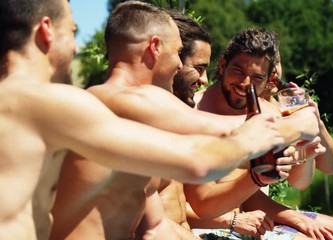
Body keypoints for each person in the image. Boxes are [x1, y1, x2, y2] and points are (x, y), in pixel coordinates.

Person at [0, 0, 286, 239]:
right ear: (47, 30)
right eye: (72, 32)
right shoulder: (50, 102)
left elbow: (155, 225)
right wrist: (283, 127)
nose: (76, 48)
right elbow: (198, 161)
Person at [186, 28, 333, 239]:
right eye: (238, 71)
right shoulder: (193, 109)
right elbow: (204, 199)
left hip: (261, 215)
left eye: (257, 77)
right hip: (218, 221)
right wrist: (290, 217)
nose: (245, 84)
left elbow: (301, 182)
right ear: (223, 65)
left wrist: (305, 147)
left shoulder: (270, 113)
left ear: (270, 79)